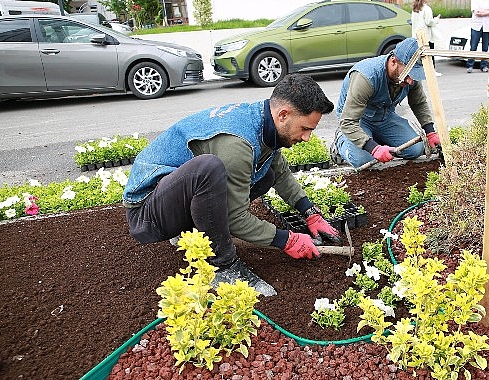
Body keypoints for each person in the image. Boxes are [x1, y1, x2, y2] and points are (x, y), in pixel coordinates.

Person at [122, 73, 341, 297]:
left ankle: (194, 230)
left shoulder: (265, 122)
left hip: (172, 197)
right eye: (305, 128)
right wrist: (287, 239)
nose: (306, 137)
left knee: (266, 175)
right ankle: (223, 267)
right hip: (147, 214)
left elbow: (281, 172)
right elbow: (234, 218)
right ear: (283, 114)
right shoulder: (238, 143)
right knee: (208, 169)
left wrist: (310, 213)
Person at [330, 37, 441, 169]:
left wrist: (430, 132)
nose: (411, 81)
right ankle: (340, 143)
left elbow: (419, 103)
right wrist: (373, 148)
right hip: (358, 121)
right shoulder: (366, 77)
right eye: (409, 75)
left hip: (384, 118)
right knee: (363, 160)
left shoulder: (409, 77)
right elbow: (348, 121)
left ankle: (377, 139)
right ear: (393, 61)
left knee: (415, 149)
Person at [411, 0, 442, 77]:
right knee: (430, 54)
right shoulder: (426, 8)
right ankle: (432, 71)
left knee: (421, 55)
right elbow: (429, 22)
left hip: (417, 35)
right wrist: (436, 20)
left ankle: (422, 71)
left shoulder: (415, 9)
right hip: (426, 35)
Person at [466, 0, 489, 73]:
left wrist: (483, 12)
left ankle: (484, 65)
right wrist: (486, 12)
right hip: (476, 25)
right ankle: (470, 65)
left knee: (485, 47)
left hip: (487, 25)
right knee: (473, 46)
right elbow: (476, 12)